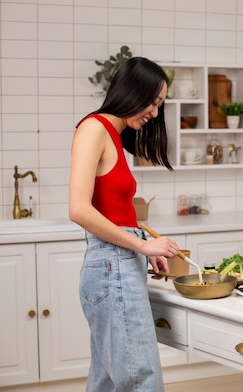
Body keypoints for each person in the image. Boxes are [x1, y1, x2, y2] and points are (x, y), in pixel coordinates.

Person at [69, 57, 180, 392]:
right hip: (111, 265)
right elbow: (79, 209)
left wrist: (143, 243)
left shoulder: (113, 136)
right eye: (154, 102)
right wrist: (142, 245)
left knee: (108, 378)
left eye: (161, 104)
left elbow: (113, 209)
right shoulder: (94, 128)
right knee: (139, 377)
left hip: (117, 262)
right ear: (134, 91)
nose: (155, 113)